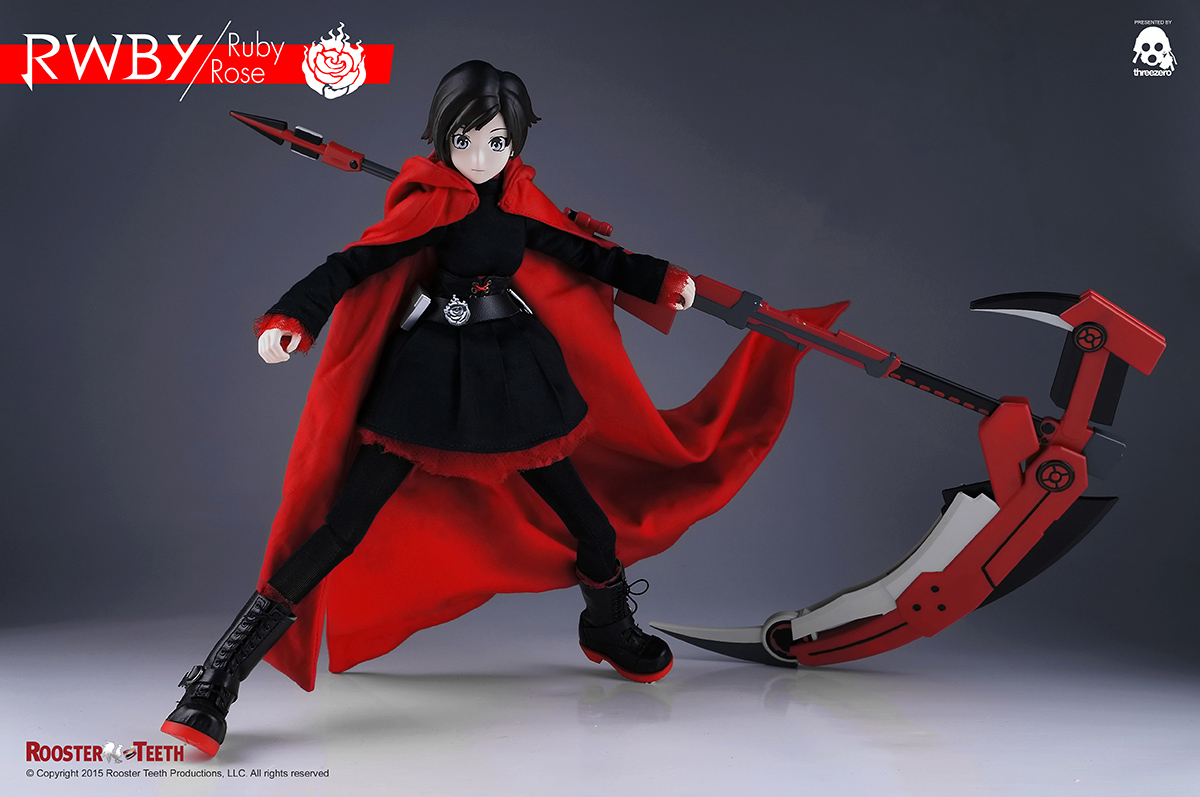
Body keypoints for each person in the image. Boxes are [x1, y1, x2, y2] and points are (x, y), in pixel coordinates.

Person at [162, 60, 843, 756]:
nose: (482, 157)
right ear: (442, 138)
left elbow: (589, 255)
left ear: (516, 142)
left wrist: (665, 281)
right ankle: (215, 681)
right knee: (340, 529)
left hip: (516, 375)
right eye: (466, 141)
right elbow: (352, 263)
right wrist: (293, 317)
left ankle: (607, 626)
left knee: (591, 524)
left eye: (498, 142)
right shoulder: (428, 203)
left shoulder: (521, 201)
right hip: (428, 381)